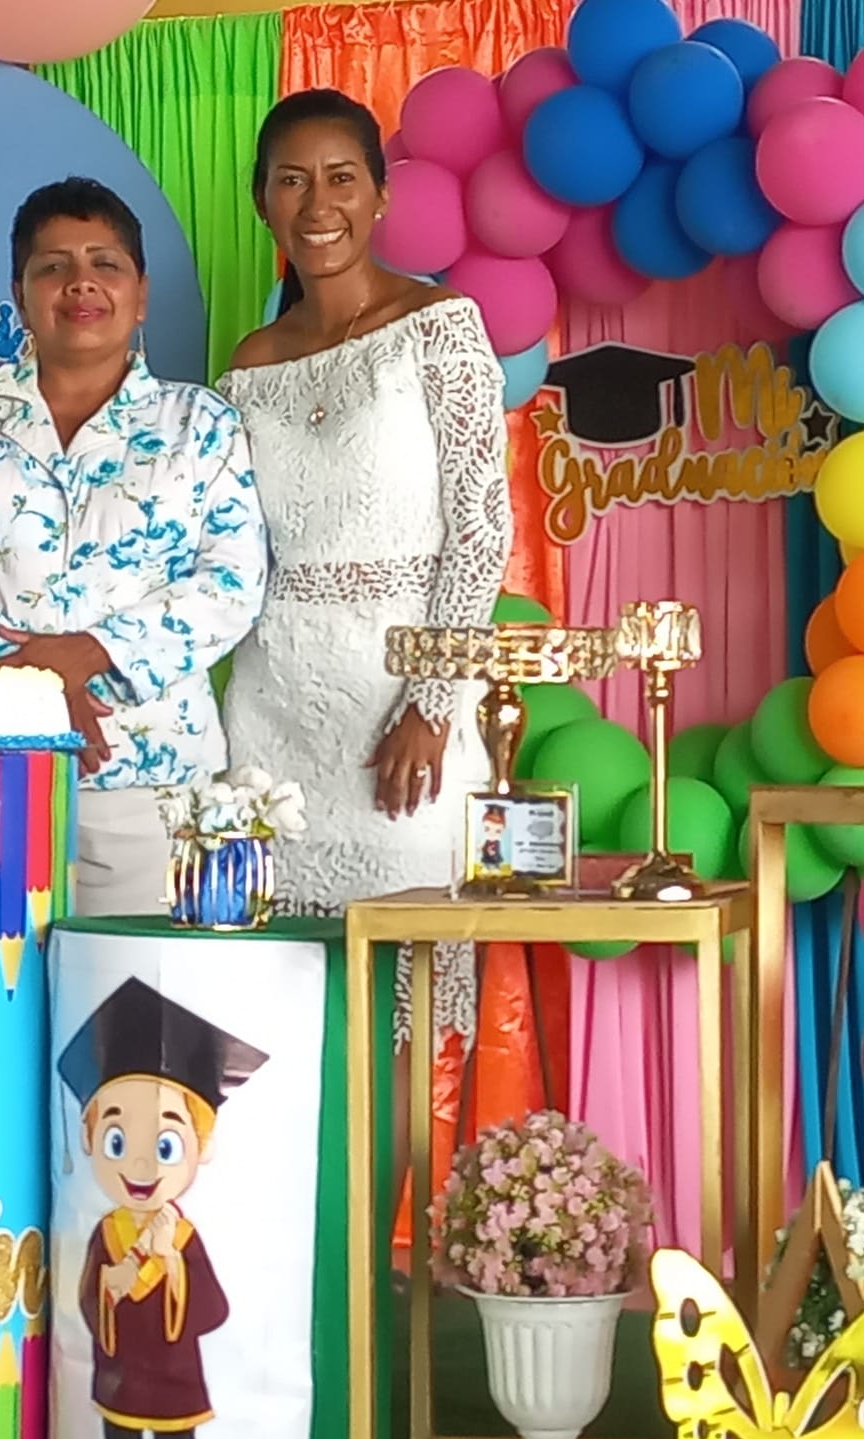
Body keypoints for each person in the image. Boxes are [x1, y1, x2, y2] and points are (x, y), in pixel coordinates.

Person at [0, 177, 268, 916]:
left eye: (104, 263)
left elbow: (231, 583)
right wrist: (32, 680)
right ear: (20, 295)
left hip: (149, 779)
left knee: (137, 990)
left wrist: (87, 655)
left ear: (141, 294)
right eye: (53, 266)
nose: (80, 282)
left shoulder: (201, 424)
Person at [218, 91, 511, 1045]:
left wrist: (433, 702)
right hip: (272, 712)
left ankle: (405, 1158)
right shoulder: (250, 364)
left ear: (381, 195)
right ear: (262, 200)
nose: (318, 204)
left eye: (341, 178)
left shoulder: (441, 326)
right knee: (279, 1013)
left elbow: (481, 528)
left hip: (404, 707)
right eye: (291, 181)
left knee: (406, 1018)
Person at [59, 976, 266, 1439]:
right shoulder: (107, 1232)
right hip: (122, 1357)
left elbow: (213, 1307)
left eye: (167, 1144)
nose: (141, 1165)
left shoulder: (183, 1237)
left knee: (174, 1412)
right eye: (117, 1140)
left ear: (203, 1145)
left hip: (172, 1359)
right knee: (117, 1401)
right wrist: (109, 1286)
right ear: (89, 1138)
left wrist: (172, 1264)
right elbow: (89, 1296)